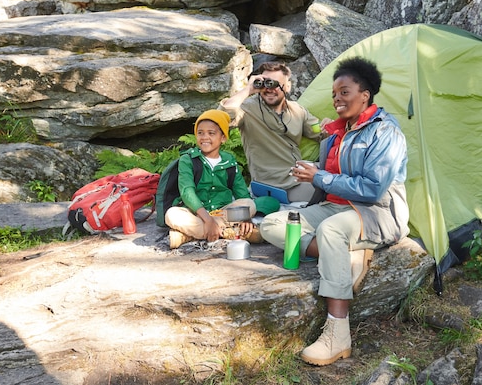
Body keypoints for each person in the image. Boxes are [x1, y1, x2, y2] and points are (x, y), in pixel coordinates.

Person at [259, 57, 410, 366]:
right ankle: (341, 252)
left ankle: (337, 335)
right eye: (334, 95)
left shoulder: (385, 132)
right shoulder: (337, 132)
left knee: (331, 231)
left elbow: (372, 189)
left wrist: (320, 177)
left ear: (365, 94)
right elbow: (335, 175)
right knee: (274, 223)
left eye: (345, 92)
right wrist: (315, 169)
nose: (337, 100)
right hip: (335, 207)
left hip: (377, 212)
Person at [218, 61, 323, 203]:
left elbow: (319, 132)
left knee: (336, 177)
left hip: (297, 174)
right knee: (329, 192)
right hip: (276, 184)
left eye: (274, 84)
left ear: (287, 86)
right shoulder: (248, 109)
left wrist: (330, 126)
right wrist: (248, 89)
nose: (269, 89)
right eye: (265, 83)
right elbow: (221, 118)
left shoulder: (297, 110)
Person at [165, 109, 258, 248]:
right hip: (195, 212)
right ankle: (229, 232)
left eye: (211, 133)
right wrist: (208, 220)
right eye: (200, 133)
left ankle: (188, 235)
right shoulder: (188, 159)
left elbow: (242, 194)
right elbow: (187, 192)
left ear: (223, 137)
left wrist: (246, 218)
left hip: (222, 212)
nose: (204, 137)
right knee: (172, 215)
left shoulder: (229, 161)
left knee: (249, 204)